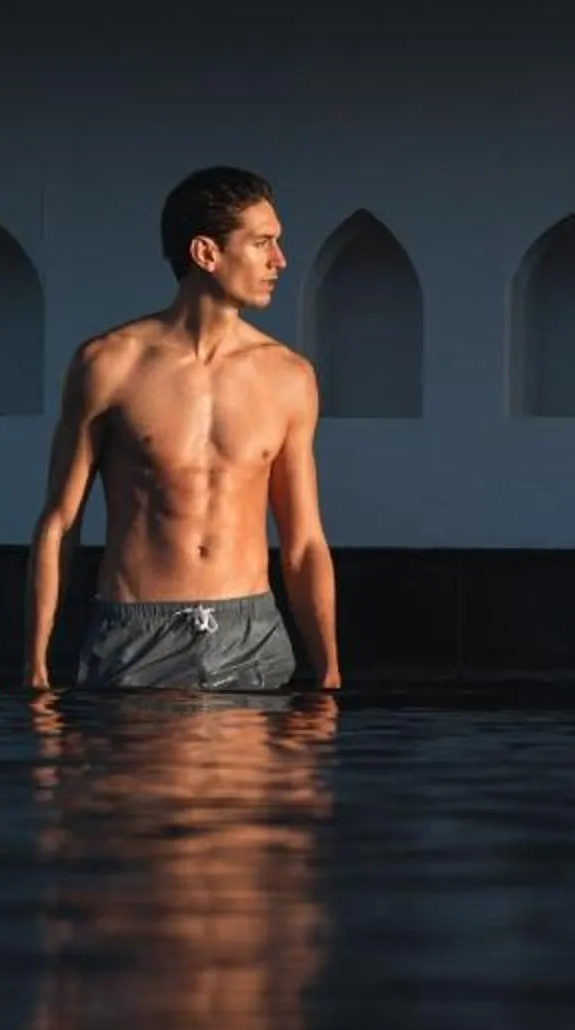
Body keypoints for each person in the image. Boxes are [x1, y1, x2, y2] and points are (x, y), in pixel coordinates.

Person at [23, 167, 340, 693]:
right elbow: (59, 524)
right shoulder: (109, 365)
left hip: (251, 634)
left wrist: (329, 670)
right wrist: (35, 665)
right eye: (262, 243)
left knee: (250, 778)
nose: (279, 261)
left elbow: (303, 541)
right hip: (136, 632)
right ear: (205, 253)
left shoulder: (289, 377)